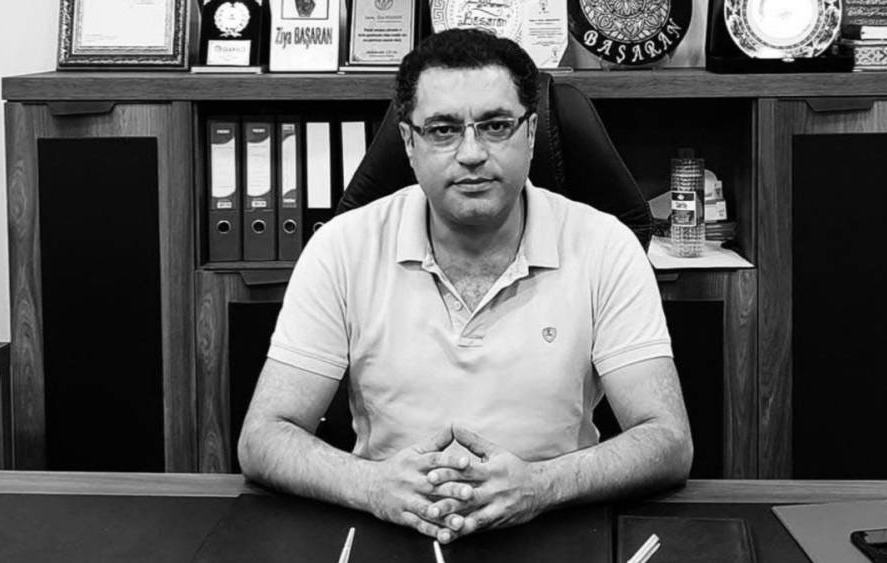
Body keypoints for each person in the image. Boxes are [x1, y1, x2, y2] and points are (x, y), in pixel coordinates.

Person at [238, 28, 692, 544]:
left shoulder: (604, 245)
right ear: (409, 142)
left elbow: (668, 439)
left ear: (530, 132)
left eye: (496, 126)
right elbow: (263, 436)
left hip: (557, 521)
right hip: (389, 525)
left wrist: (541, 485)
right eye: (443, 130)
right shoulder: (343, 246)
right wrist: (371, 486)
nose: (472, 152)